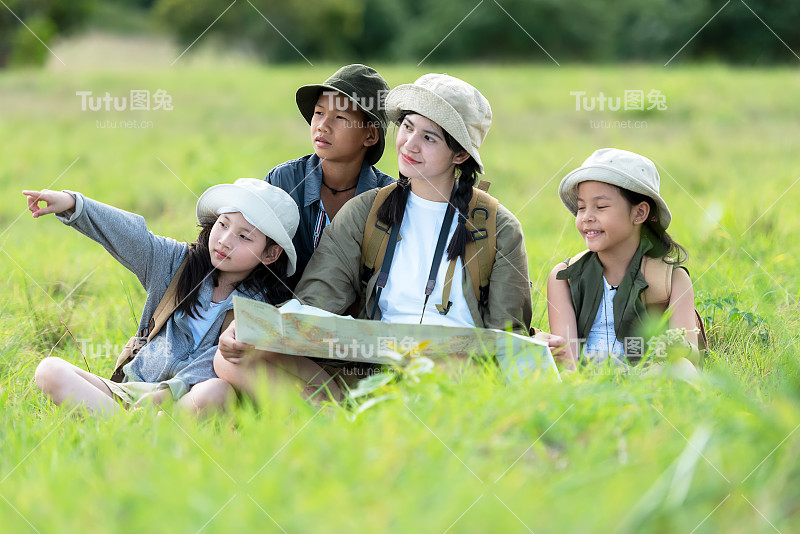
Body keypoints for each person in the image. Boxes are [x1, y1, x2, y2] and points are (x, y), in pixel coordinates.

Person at [215, 74, 565, 399]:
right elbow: (314, 305)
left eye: (428, 138)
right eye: (407, 127)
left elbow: (506, 335)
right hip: (371, 369)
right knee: (232, 359)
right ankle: (343, 428)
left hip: (456, 373)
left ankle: (355, 425)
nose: (409, 144)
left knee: (449, 366)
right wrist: (253, 331)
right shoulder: (366, 211)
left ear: (459, 154)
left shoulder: (497, 227)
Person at [25, 178, 299, 415]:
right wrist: (73, 203)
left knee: (218, 391)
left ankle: (123, 428)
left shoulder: (262, 308)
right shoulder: (176, 263)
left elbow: (222, 364)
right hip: (132, 392)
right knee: (49, 370)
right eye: (223, 224)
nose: (225, 240)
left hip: (190, 402)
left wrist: (168, 394)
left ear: (270, 254)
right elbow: (133, 236)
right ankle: (134, 430)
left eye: (244, 236)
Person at [546, 148, 699, 373]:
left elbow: (691, 353)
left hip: (647, 375)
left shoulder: (672, 279)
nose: (587, 216)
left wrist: (678, 347)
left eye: (601, 207)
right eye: (581, 207)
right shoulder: (565, 277)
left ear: (639, 213)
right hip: (589, 376)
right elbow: (569, 362)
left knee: (683, 370)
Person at [266, 63, 395, 288]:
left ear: (370, 135)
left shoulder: (388, 199)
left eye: (340, 117)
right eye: (319, 113)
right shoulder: (283, 181)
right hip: (284, 313)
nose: (322, 126)